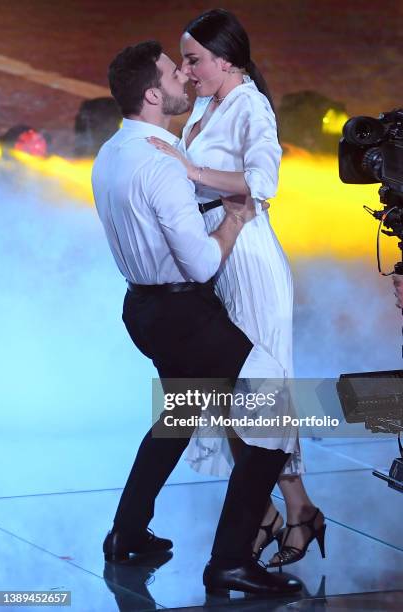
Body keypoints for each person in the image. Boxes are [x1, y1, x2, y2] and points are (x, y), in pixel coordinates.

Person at [92, 41, 300, 597]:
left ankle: (126, 534)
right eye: (172, 72)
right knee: (274, 413)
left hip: (143, 307)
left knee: (180, 413)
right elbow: (204, 261)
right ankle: (230, 560)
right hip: (182, 311)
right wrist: (234, 220)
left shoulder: (111, 152)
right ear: (154, 93)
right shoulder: (160, 165)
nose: (184, 76)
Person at [147, 8, 325, 568]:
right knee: (228, 391)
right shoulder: (207, 104)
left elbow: (263, 182)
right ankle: (284, 510)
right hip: (216, 261)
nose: (187, 68)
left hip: (249, 262)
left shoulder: (252, 106)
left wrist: (190, 170)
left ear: (227, 59)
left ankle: (290, 510)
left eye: (195, 59)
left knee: (263, 396)